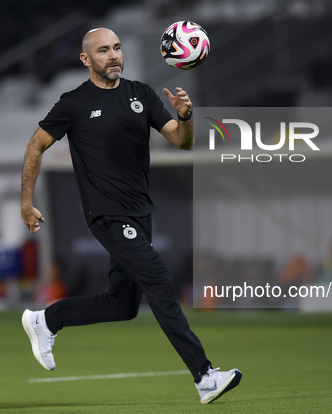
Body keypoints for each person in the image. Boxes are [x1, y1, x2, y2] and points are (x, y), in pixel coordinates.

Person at [20, 28, 241, 404]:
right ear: (86, 60)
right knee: (160, 282)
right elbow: (35, 146)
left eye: (117, 48)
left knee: (122, 305)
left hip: (141, 212)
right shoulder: (73, 103)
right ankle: (204, 376)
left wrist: (185, 116)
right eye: (103, 50)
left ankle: (46, 320)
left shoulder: (141, 94)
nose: (113, 56)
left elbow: (181, 141)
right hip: (106, 214)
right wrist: (25, 202)